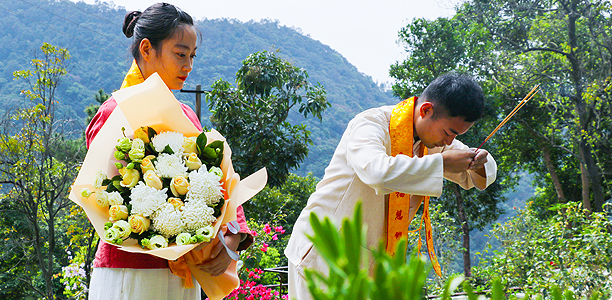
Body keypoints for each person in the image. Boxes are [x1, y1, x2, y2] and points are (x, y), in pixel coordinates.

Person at [85, 3, 252, 299]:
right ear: (147, 49)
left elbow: (221, 182)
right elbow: (106, 196)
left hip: (182, 272)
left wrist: (231, 239)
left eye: (192, 56)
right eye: (180, 54)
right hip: (130, 272)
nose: (188, 65)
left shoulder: (186, 114)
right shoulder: (117, 112)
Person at [284, 72, 498, 299]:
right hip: (323, 251)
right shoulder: (370, 123)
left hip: (369, 262)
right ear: (426, 110)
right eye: (449, 132)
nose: (449, 142)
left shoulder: (434, 140)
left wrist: (478, 160)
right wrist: (442, 162)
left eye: (456, 136)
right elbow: (377, 172)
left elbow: (481, 171)